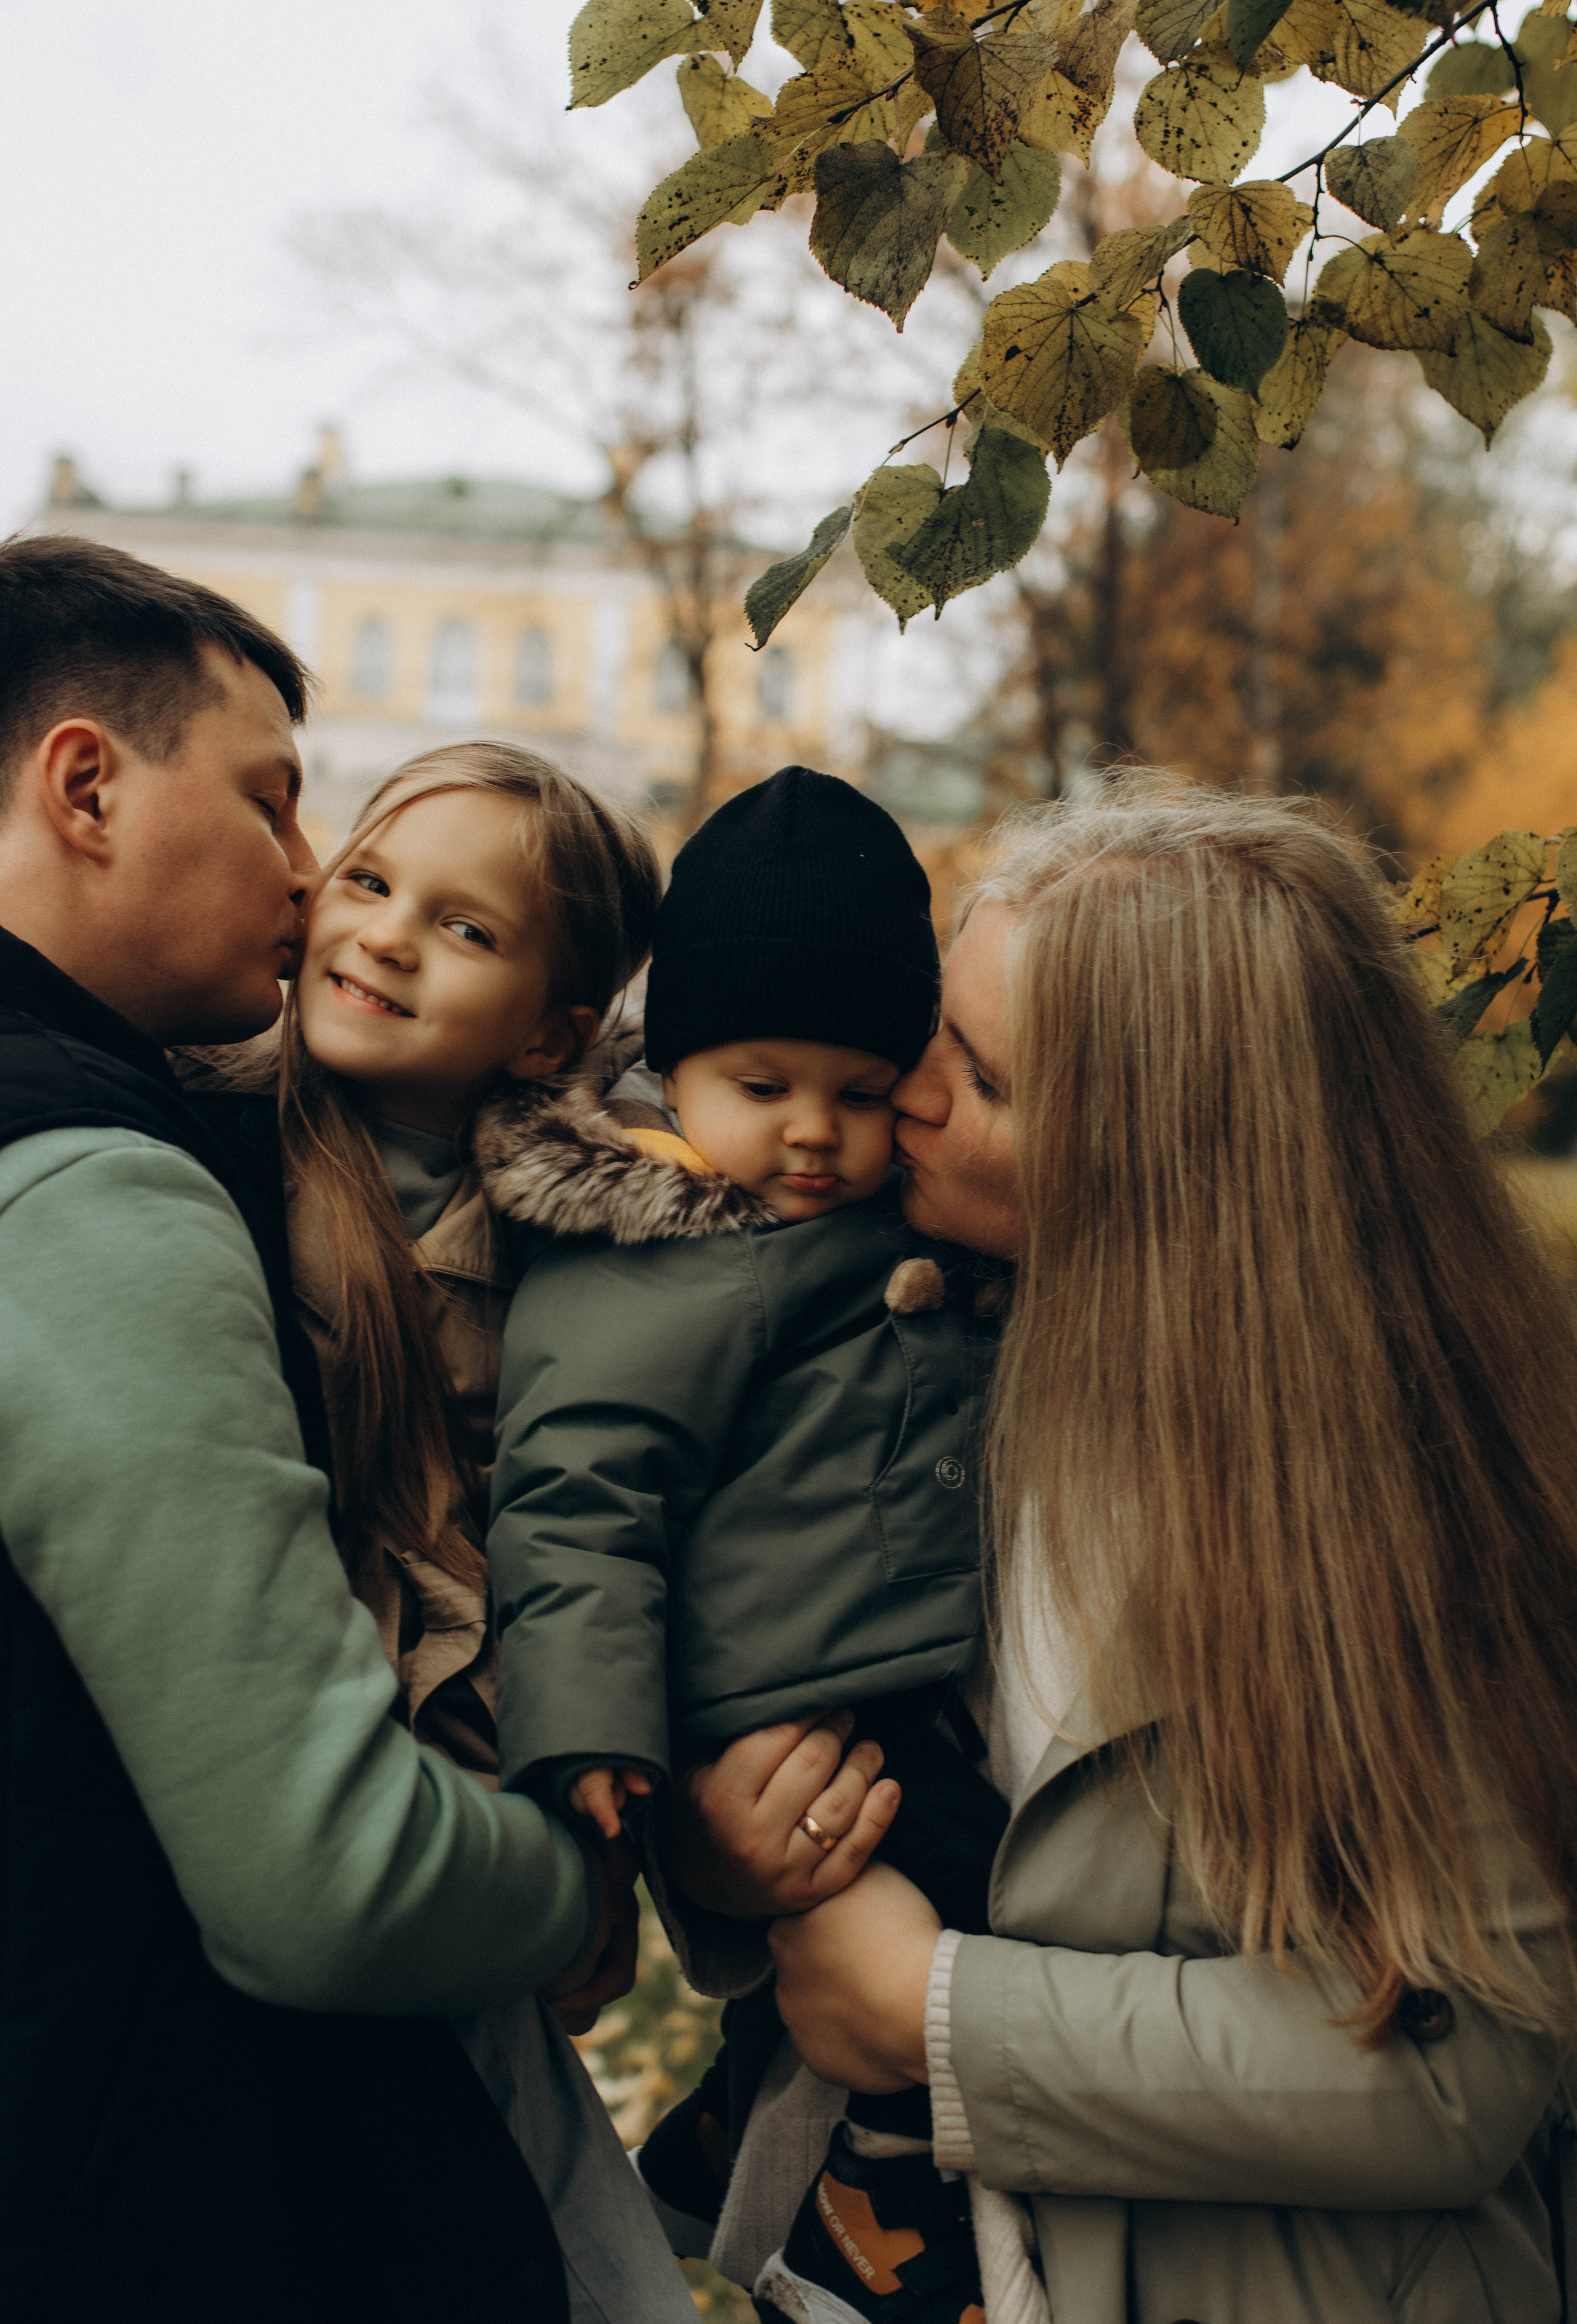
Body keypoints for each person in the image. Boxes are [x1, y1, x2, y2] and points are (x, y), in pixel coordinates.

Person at [681, 781, 1577, 2324]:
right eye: (933, 1030)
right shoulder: (911, 1349)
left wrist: (941, 2018)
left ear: (1170, 1164)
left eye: (985, 1078)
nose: (906, 1090)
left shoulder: (1409, 1502)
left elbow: (1457, 2071)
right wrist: (724, 1854)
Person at [0, 534, 634, 2324]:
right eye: (274, 802)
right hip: (138, 2196)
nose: (306, 871)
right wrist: (581, 1886)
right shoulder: (88, 1186)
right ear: (87, 788)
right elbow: (327, 1879)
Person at [480, 768, 1011, 2309]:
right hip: (769, 1701)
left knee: (939, 1905)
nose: (813, 1133)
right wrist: (588, 1730)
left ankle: (738, 2140)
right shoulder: (651, 1262)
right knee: (933, 1918)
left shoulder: (872, 1224)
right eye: (762, 1085)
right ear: (673, 1069)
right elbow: (577, 1498)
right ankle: (856, 2208)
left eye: (861, 1091)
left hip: (888, 1674)